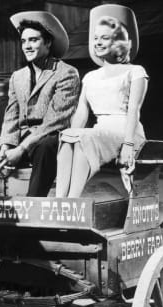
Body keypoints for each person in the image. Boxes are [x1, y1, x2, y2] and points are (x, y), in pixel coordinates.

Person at [0, 12, 80, 196]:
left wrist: (21, 149)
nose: (27, 46)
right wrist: (5, 147)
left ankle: (33, 208)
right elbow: (11, 117)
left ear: (48, 42)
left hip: (49, 139)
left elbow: (54, 122)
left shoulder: (67, 73)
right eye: (24, 41)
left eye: (34, 40)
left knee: (45, 146)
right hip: (18, 139)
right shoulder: (17, 77)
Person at [55, 4, 147, 198]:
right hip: (101, 130)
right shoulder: (90, 76)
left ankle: (72, 200)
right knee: (68, 136)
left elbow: (134, 110)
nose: (97, 42)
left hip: (126, 129)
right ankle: (60, 200)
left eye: (104, 38)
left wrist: (129, 145)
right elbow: (82, 111)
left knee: (84, 139)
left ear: (119, 42)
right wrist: (72, 133)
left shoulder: (135, 71)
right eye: (95, 38)